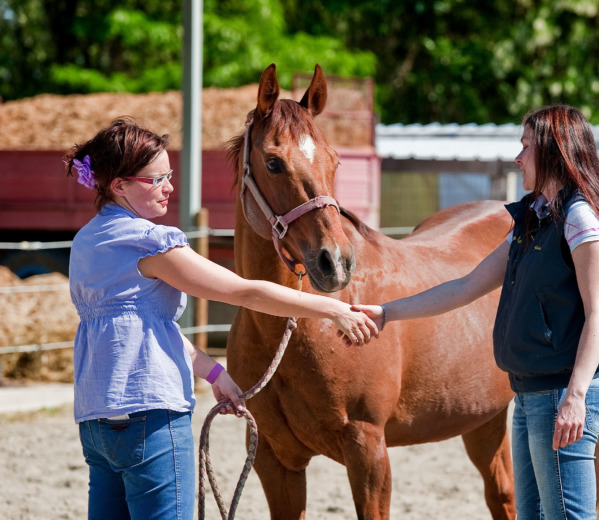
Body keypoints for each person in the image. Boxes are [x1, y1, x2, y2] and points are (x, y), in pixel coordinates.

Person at [64, 117, 378, 520]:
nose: (169, 187)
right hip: (151, 422)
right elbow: (243, 291)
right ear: (119, 185)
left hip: (97, 423)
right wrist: (332, 307)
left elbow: (144, 329)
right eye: (156, 180)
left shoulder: (87, 240)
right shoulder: (149, 243)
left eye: (169, 175)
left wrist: (214, 373)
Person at [353, 105, 599, 520]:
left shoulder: (580, 219)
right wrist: (386, 312)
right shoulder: (533, 220)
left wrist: (575, 397)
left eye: (526, 146)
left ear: (554, 151)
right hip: (530, 395)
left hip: (560, 396)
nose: (518, 157)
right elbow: (465, 286)